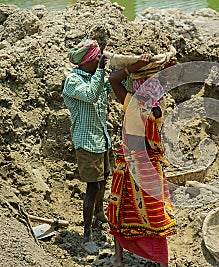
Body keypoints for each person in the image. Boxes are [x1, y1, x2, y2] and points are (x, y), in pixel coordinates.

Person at [106, 54, 177, 267]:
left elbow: (114, 80)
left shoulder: (145, 104)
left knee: (145, 212)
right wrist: (140, 66)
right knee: (121, 210)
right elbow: (112, 80)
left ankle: (125, 258)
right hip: (135, 163)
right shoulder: (146, 103)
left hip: (140, 164)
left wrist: (136, 67)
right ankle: (120, 258)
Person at [62, 39, 112, 255]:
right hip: (87, 143)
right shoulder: (73, 81)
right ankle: (87, 236)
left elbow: (116, 84)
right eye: (97, 58)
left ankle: (99, 213)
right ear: (87, 62)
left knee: (103, 179)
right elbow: (91, 95)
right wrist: (101, 70)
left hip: (102, 139)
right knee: (92, 188)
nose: (100, 60)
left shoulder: (96, 77)